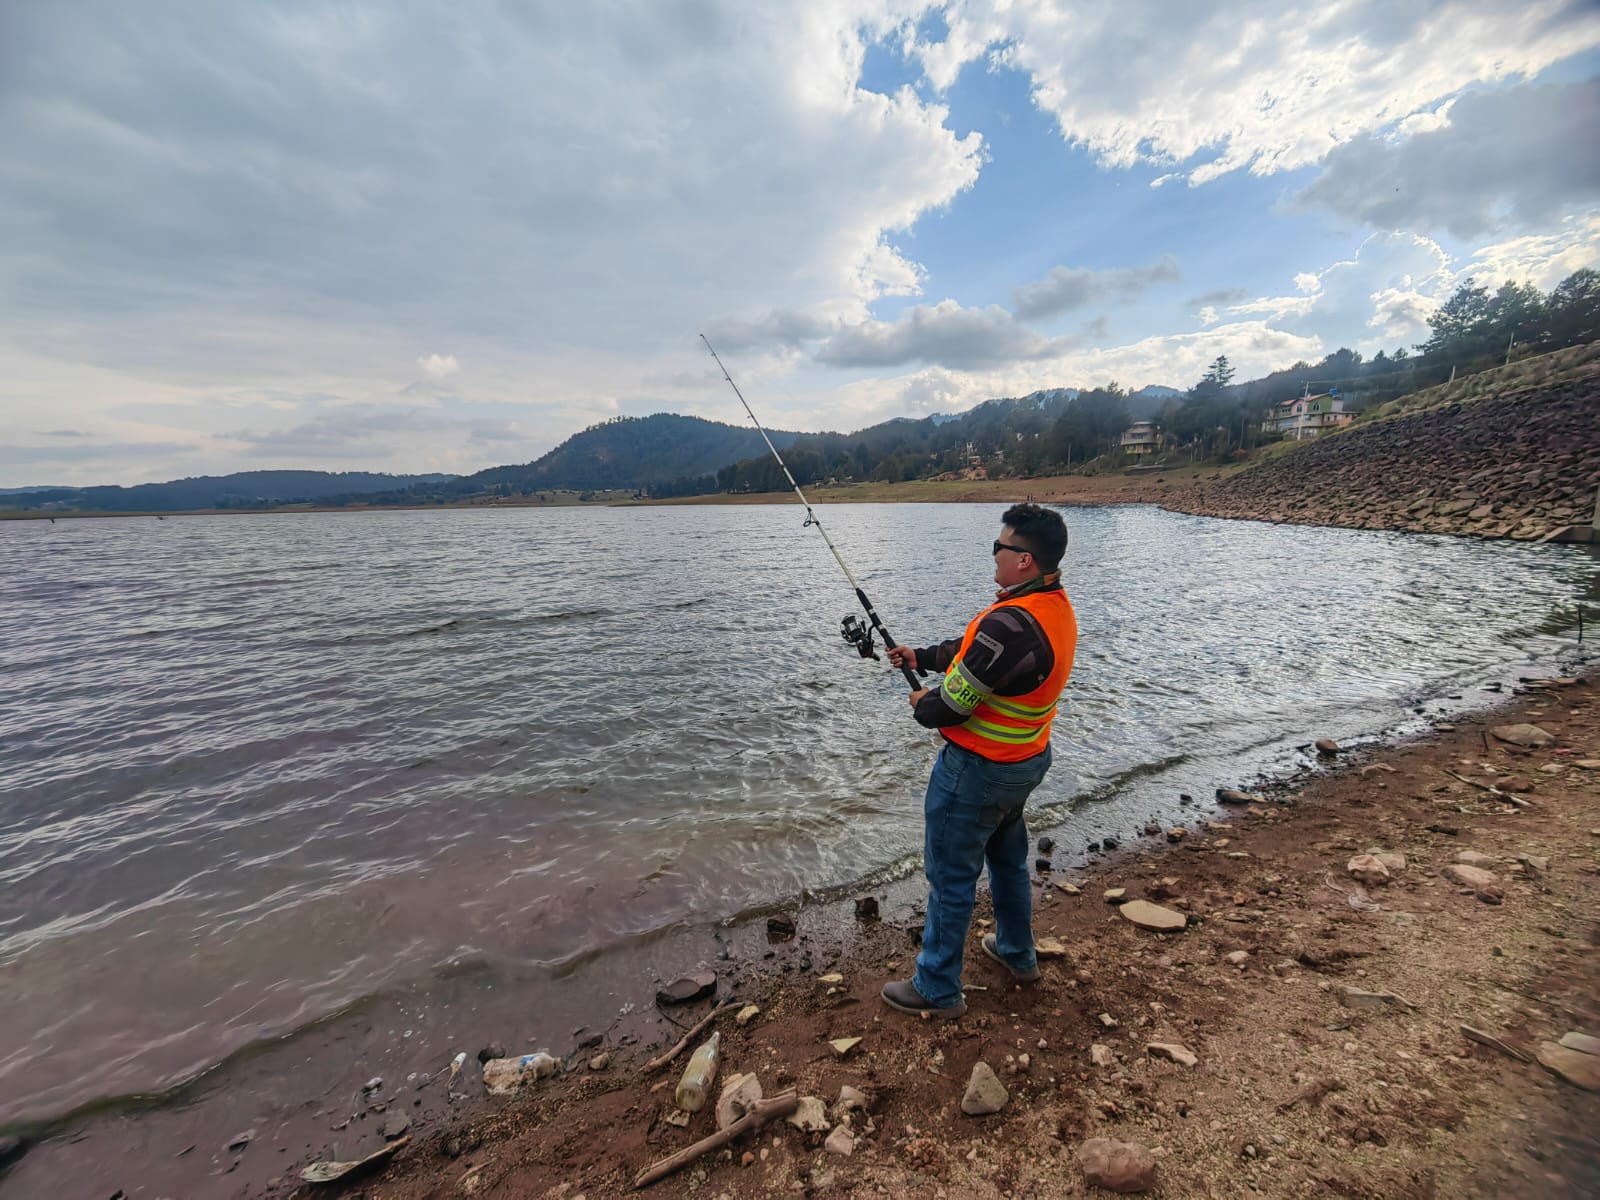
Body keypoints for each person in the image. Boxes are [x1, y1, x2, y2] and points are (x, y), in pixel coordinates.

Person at [880, 503, 1078, 1018]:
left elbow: (950, 706)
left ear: (1024, 559)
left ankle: (937, 987)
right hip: (1025, 762)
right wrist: (921, 657)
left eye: (1000, 546)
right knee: (1008, 861)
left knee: (951, 876)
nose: (994, 554)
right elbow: (979, 655)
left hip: (978, 772)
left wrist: (922, 702)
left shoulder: (1010, 623)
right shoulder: (1052, 606)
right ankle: (1017, 953)